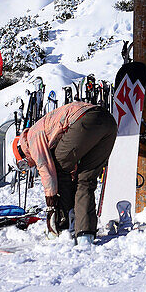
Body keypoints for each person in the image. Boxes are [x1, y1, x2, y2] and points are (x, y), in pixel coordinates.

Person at [12, 100, 117, 245]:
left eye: (25, 163)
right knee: (85, 179)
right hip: (108, 123)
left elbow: (47, 172)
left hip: (85, 119)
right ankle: (85, 234)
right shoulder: (42, 127)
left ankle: (64, 224)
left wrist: (51, 206)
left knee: (57, 168)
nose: (29, 165)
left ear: (22, 153)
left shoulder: (32, 138)